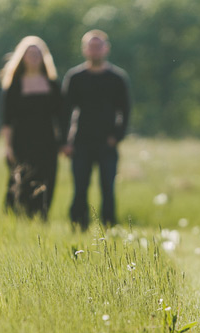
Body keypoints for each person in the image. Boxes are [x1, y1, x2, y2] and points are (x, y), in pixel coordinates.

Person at [61, 30, 131, 229]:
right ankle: (77, 228)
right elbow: (65, 111)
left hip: (107, 144)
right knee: (80, 189)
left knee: (108, 189)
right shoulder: (75, 77)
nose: (95, 50)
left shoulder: (117, 78)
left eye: (98, 46)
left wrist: (116, 137)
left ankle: (109, 229)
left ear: (106, 49)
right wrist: (65, 142)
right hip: (80, 142)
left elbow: (125, 111)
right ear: (85, 50)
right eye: (91, 47)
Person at [0, 36, 63, 220]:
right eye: (30, 54)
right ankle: (15, 219)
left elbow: (60, 116)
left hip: (47, 141)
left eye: (37, 54)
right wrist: (8, 146)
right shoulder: (14, 86)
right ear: (22, 57)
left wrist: (61, 141)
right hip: (21, 141)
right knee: (20, 180)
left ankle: (41, 218)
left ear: (44, 57)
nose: (34, 57)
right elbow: (7, 120)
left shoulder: (52, 85)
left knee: (46, 179)